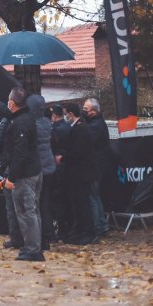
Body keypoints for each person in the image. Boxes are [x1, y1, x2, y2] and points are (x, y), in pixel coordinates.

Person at [0, 85, 43, 261]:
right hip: (32, 171)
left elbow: (20, 154)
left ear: (12, 103)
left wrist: (11, 178)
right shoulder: (24, 115)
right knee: (32, 211)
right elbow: (4, 110)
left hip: (24, 175)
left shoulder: (20, 123)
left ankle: (33, 250)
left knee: (26, 212)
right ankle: (33, 246)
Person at [58, 103, 97, 245]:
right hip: (79, 172)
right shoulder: (80, 127)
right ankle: (80, 231)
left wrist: (63, 158)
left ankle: (89, 232)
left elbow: (78, 152)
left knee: (83, 203)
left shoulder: (80, 129)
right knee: (78, 203)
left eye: (66, 114)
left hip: (81, 172)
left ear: (70, 114)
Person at [27, 95, 57, 250]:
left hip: (37, 169)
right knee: (46, 204)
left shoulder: (32, 125)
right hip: (50, 167)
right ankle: (49, 234)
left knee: (36, 206)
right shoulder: (47, 123)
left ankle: (41, 237)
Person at [82, 98, 111, 237]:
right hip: (99, 165)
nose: (83, 111)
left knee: (92, 196)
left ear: (94, 111)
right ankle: (102, 225)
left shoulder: (95, 126)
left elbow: (88, 143)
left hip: (95, 166)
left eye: (86, 109)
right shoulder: (98, 123)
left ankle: (98, 226)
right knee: (95, 195)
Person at [50, 104, 72, 240]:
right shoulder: (69, 126)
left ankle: (62, 229)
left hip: (57, 164)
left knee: (58, 199)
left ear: (54, 116)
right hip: (67, 164)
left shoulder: (54, 130)